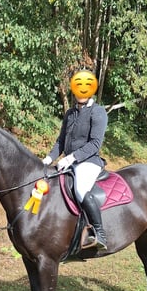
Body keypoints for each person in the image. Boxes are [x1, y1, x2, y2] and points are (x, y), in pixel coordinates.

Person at [42, 70, 109, 250]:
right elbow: (61, 141)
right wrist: (48, 159)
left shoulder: (98, 112)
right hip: (69, 162)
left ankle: (99, 233)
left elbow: (95, 143)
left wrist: (72, 157)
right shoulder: (70, 113)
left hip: (88, 162)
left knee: (80, 189)